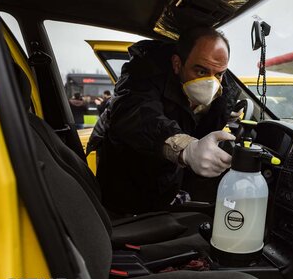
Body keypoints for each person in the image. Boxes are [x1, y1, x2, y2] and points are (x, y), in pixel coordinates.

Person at [95, 27, 240, 215]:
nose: (211, 83)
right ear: (177, 64)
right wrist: (185, 148)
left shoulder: (224, 94)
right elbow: (138, 114)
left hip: (169, 191)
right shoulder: (143, 76)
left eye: (219, 74)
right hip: (124, 192)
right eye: (201, 71)